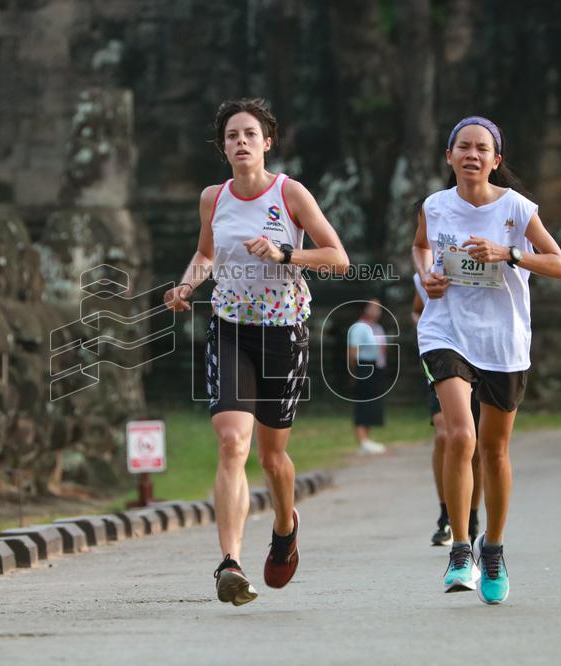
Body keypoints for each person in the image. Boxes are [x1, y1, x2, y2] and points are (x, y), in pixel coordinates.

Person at [164, 98, 349, 606]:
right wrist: (186, 287)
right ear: (222, 147)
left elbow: (337, 258)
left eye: (249, 134)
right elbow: (205, 253)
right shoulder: (213, 198)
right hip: (229, 328)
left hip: (283, 333)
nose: (240, 142)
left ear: (267, 142)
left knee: (272, 457)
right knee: (231, 442)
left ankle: (286, 526)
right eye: (231, 136)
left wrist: (285, 251)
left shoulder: (289, 193)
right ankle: (230, 563)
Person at [412, 116, 561, 605]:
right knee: (460, 435)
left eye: (482, 148)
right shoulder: (435, 207)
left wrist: (509, 254)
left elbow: (560, 266)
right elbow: (420, 248)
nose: (472, 155)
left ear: (495, 160)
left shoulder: (518, 209)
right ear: (450, 156)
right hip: (447, 329)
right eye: (464, 147)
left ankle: (494, 549)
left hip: (503, 340)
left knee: (494, 452)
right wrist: (426, 279)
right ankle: (461, 549)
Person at [412, 273, 483, 546]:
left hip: (483, 352)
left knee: (475, 445)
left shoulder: (489, 251)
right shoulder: (429, 269)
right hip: (443, 352)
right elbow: (417, 310)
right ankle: (446, 516)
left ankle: (471, 516)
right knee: (447, 435)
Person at [348, 298, 389, 454]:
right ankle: (362, 440)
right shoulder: (360, 327)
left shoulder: (377, 327)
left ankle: (367, 439)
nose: (377, 311)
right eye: (373, 308)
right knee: (363, 403)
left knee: (372, 404)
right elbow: (353, 351)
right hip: (363, 367)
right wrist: (354, 372)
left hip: (376, 368)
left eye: (379, 308)